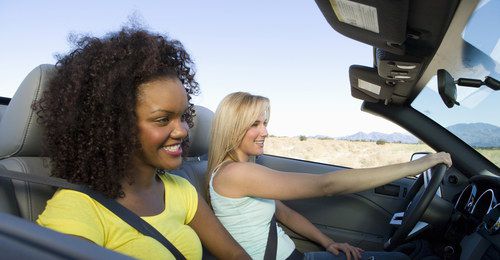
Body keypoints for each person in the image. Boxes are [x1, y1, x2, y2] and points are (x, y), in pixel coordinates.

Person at [34, 26, 249, 259]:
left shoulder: (181, 190)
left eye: (183, 117)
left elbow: (235, 255)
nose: (183, 130)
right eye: (163, 119)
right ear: (117, 124)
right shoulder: (76, 208)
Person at [205, 92, 453, 260]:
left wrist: (328, 243)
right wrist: (415, 166)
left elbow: (284, 213)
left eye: (265, 122)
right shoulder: (236, 173)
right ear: (233, 127)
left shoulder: (241, 170)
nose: (265, 131)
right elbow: (328, 185)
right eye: (254, 124)